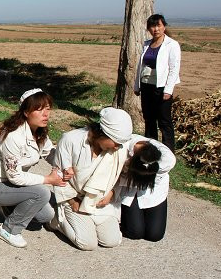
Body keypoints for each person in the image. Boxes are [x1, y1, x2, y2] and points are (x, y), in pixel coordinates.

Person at [0, 89, 67, 248]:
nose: (46, 114)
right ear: (26, 112)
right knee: (42, 193)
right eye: (39, 109)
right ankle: (8, 230)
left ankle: (9, 206)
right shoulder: (12, 136)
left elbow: (49, 153)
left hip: (11, 183)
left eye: (48, 108)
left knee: (46, 215)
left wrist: (64, 167)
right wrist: (48, 179)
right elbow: (15, 177)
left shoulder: (39, 132)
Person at [49, 107, 132, 251]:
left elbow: (121, 176)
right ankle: (57, 220)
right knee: (88, 243)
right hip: (74, 198)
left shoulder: (119, 150)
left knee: (111, 240)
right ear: (103, 134)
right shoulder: (71, 140)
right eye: (115, 142)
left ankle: (87, 221)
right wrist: (72, 200)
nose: (118, 147)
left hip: (99, 201)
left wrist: (111, 193)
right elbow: (59, 175)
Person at [134, 13, 181, 151]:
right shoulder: (147, 44)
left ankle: (168, 150)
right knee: (149, 118)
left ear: (164, 27)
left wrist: (168, 90)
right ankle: (151, 148)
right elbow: (140, 66)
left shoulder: (171, 45)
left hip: (161, 87)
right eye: (152, 26)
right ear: (149, 29)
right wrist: (137, 85)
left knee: (164, 121)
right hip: (146, 85)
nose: (156, 29)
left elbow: (174, 68)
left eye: (158, 25)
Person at [116, 136, 175, 242]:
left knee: (155, 235)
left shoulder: (167, 159)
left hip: (154, 192)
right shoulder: (121, 150)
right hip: (130, 191)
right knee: (135, 232)